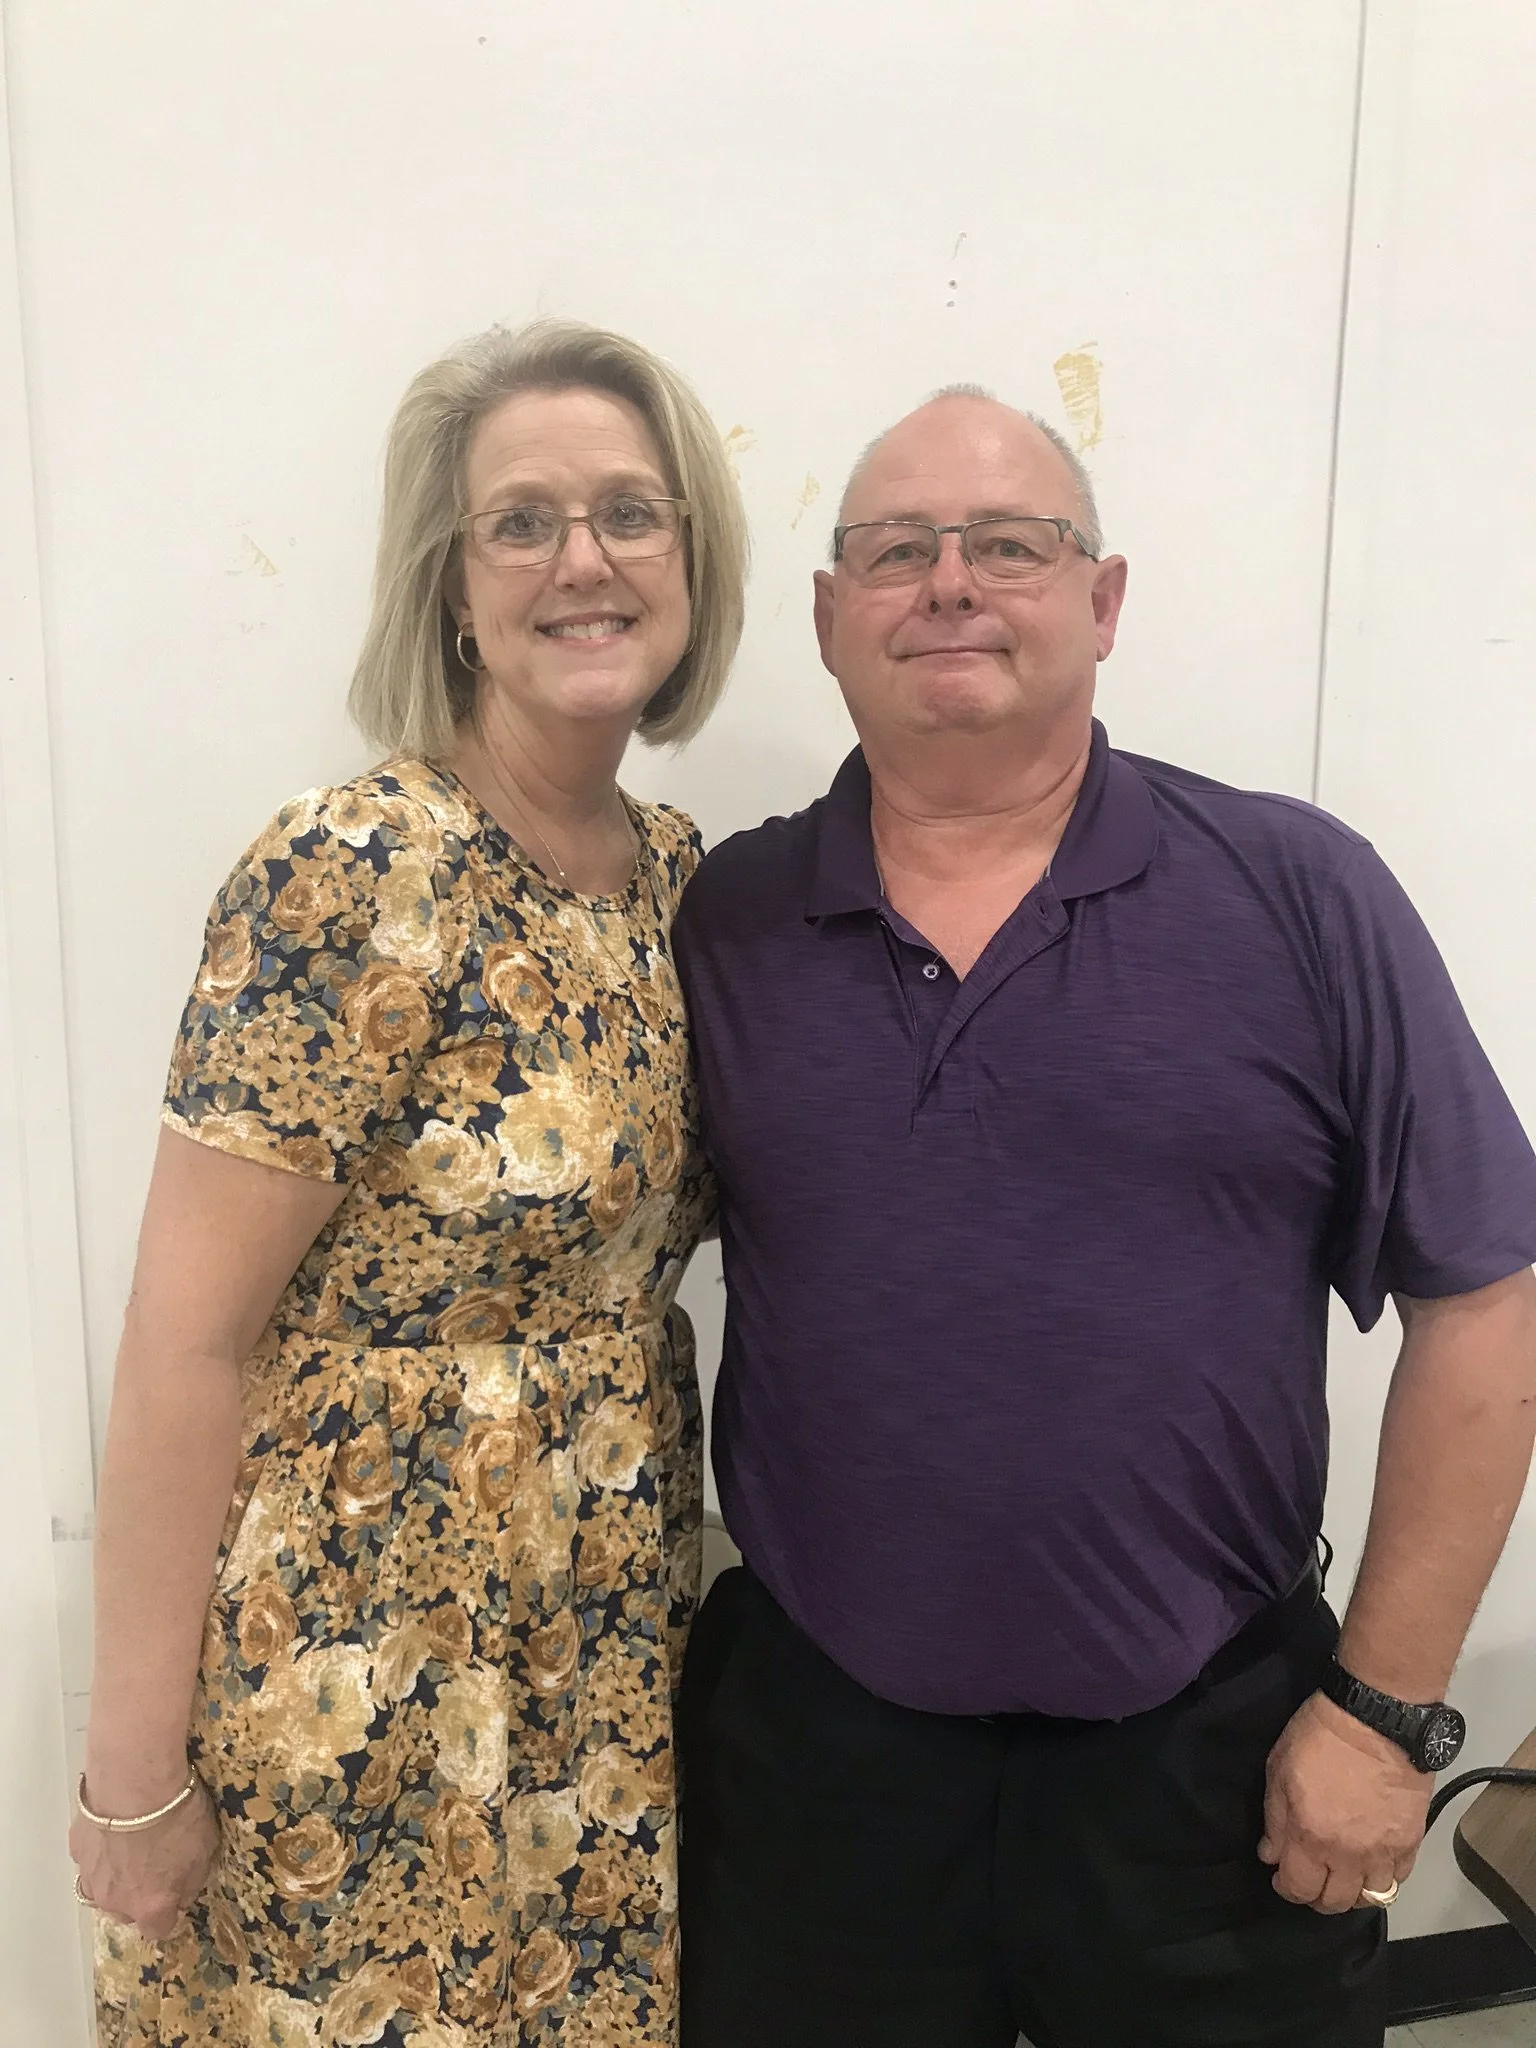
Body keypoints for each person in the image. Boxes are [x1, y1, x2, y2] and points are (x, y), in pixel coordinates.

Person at [672, 386, 1536, 2048]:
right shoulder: (728, 921)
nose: (950, 582)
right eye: (896, 551)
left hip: (1214, 1768)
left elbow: (1486, 1297)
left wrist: (1384, 1713)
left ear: (1104, 598)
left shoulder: (1300, 892)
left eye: (1010, 544)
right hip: (819, 1775)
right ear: (830, 618)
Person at [74, 318, 747, 2048]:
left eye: (629, 513)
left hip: (598, 1632)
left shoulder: (681, 886)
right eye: (521, 522)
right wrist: (132, 1774)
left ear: (692, 560)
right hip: (359, 1643)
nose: (582, 560)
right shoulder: (350, 873)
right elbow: (183, 1344)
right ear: (451, 586)